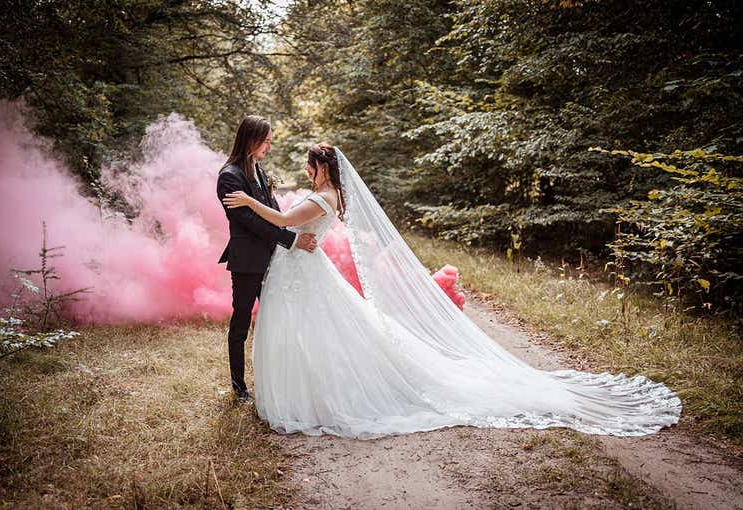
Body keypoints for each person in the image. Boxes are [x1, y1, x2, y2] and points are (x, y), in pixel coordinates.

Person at [222, 143, 682, 439]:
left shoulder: (322, 197)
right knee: (317, 332)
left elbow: (283, 221)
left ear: (324, 169)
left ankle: (315, 396)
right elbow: (290, 218)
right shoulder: (325, 195)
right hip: (300, 269)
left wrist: (248, 202)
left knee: (322, 331)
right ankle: (304, 390)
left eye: (312, 163)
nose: (307, 168)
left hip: (304, 272)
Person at [216, 115, 317, 402]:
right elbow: (250, 221)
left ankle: (282, 379)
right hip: (247, 262)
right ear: (251, 139)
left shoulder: (258, 170)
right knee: (241, 321)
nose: (269, 147)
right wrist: (292, 240)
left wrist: (293, 228)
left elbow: (272, 211)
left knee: (279, 317)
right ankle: (239, 387)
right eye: (267, 141)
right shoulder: (229, 176)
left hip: (273, 259)